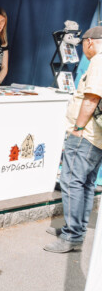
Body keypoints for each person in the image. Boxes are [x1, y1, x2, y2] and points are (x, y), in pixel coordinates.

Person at [44, 26, 102, 253]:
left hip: (85, 135)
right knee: (85, 184)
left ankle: (72, 236)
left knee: (72, 182)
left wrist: (77, 128)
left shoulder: (98, 62)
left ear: (89, 42)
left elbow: (91, 98)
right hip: (96, 136)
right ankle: (74, 228)